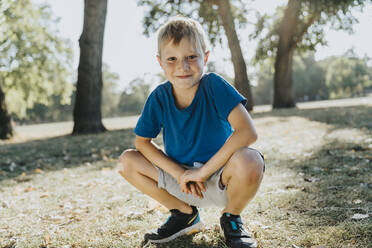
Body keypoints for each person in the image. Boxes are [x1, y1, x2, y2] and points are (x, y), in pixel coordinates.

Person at [117, 16, 265, 248]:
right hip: (182, 180)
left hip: (219, 176)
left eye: (191, 57)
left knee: (251, 159)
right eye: (172, 59)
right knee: (127, 161)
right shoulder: (159, 97)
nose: (182, 67)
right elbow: (142, 143)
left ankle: (232, 217)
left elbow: (247, 132)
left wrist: (204, 171)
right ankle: (184, 214)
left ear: (205, 57)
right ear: (160, 62)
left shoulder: (215, 85)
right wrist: (178, 173)